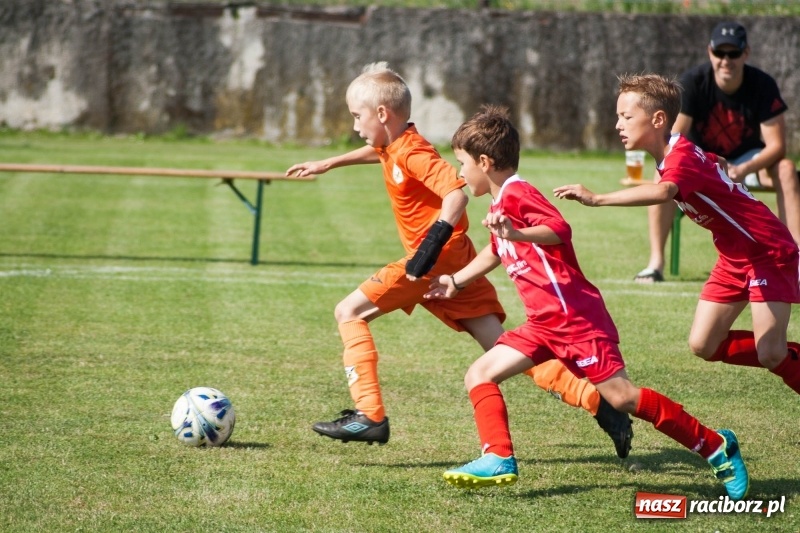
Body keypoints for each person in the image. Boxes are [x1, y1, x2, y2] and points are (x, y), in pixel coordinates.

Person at [285, 62, 632, 455]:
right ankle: (597, 402)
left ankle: (370, 415)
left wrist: (428, 248)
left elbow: (456, 193)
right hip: (455, 261)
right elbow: (378, 150)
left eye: (356, 116)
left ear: (382, 114)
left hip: (431, 259)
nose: (354, 125)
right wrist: (328, 162)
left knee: (348, 311)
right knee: (504, 347)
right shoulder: (395, 144)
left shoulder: (413, 152)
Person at [425, 104, 748, 500]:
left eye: (462, 164)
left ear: (485, 161)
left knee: (622, 398)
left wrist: (518, 232)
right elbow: (496, 249)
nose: (460, 173)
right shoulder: (498, 205)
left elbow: (559, 228)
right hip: (543, 324)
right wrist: (455, 281)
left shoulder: (517, 194)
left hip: (576, 320)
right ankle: (498, 456)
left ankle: (715, 445)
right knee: (479, 374)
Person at [555, 72, 800, 396]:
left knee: (770, 353)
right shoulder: (678, 153)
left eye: (626, 116)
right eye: (618, 117)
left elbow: (665, 191)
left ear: (658, 119)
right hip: (733, 258)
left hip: (767, 252)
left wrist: (598, 198)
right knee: (704, 344)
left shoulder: (680, 158)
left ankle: (786, 357)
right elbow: (717, 162)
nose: (618, 125)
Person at [634, 21, 800, 283]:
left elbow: (777, 146)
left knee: (787, 169)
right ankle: (656, 263)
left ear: (746, 53)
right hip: (704, 161)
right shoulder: (693, 82)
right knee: (663, 179)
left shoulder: (763, 84)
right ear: (709, 51)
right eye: (720, 53)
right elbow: (675, 138)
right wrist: (709, 163)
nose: (726, 60)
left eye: (733, 53)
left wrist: (743, 169)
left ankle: (796, 257)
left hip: (748, 162)